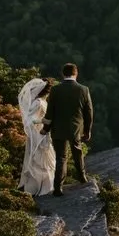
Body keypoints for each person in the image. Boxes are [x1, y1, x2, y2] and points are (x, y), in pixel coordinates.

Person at [43, 62, 94, 197]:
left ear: (63, 74)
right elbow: (89, 112)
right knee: (77, 152)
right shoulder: (84, 90)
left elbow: (50, 113)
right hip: (76, 129)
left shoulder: (55, 90)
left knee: (61, 158)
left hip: (58, 129)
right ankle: (82, 177)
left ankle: (58, 187)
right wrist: (88, 130)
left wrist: (45, 128)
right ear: (76, 73)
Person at [16, 77, 56, 196]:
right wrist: (45, 120)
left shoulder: (41, 101)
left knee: (41, 159)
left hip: (42, 133)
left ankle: (42, 186)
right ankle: (42, 187)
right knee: (40, 160)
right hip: (38, 134)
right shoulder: (38, 102)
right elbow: (31, 119)